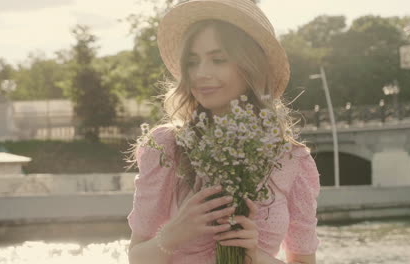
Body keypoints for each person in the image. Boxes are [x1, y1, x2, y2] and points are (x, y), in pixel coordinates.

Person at [126, 0, 321, 263]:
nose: (201, 73)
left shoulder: (292, 159)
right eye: (192, 62)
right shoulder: (166, 146)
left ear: (250, 65)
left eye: (218, 59)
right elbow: (137, 257)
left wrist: (254, 255)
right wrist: (173, 234)